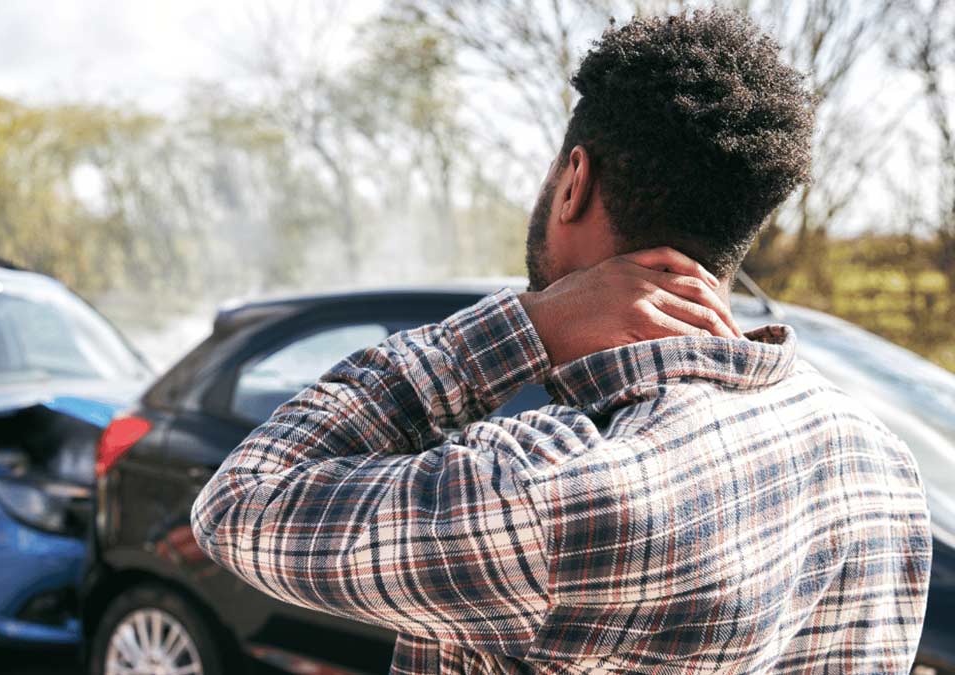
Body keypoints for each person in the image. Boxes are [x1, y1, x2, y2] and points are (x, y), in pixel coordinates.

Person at [191, 9, 931, 674]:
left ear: (574, 179)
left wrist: (527, 325)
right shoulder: (876, 457)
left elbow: (240, 503)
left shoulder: (547, 490)